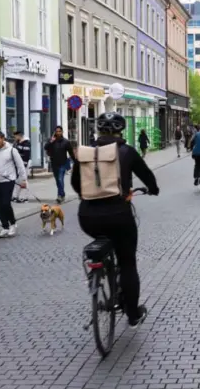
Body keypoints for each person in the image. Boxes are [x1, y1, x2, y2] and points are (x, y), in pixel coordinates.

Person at [71, 112, 160, 328]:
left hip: (88, 218)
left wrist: (90, 197)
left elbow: (76, 183)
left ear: (98, 132)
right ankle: (132, 314)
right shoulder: (127, 151)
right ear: (121, 131)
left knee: (103, 239)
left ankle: (101, 273)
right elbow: (146, 175)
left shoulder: (86, 153)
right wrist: (153, 189)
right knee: (128, 262)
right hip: (119, 216)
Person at [0, 130, 27, 238]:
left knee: (6, 203)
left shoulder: (12, 151)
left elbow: (20, 166)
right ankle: (5, 226)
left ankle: (13, 224)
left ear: (3, 138)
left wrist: (23, 180)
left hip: (9, 180)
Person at [44, 126, 75, 203]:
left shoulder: (66, 142)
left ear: (62, 132)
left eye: (59, 131)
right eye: (57, 131)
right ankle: (62, 194)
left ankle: (59, 196)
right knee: (57, 180)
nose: (58, 133)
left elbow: (71, 153)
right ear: (54, 132)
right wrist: (51, 141)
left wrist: (75, 162)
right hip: (54, 163)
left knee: (60, 179)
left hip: (63, 163)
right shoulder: (51, 140)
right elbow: (45, 147)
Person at [12, 130, 31, 203]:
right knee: (18, 180)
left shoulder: (26, 143)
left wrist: (24, 164)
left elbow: (26, 155)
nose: (15, 138)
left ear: (19, 135)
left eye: (15, 136)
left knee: (24, 180)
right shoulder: (17, 142)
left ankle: (25, 197)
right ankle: (16, 196)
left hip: (24, 163)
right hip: (18, 164)